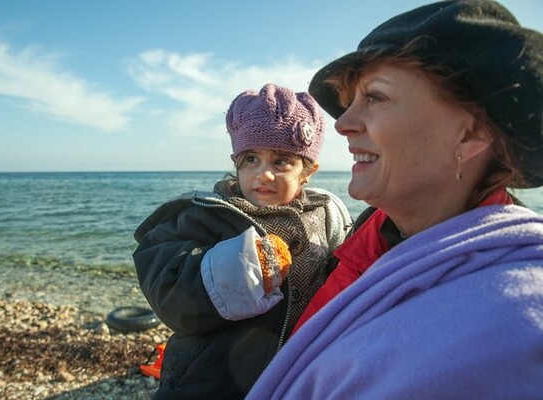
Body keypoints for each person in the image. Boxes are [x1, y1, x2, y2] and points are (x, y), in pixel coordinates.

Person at [247, 1, 543, 399]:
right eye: (350, 101)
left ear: (471, 134)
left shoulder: (517, 323)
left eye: (375, 97)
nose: (342, 123)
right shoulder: (369, 238)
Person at [132, 83, 352, 399]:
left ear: (307, 172)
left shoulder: (326, 215)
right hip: (212, 379)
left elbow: (347, 271)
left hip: (298, 374)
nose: (263, 174)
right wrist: (238, 269)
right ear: (235, 160)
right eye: (251, 159)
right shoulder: (206, 214)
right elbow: (166, 285)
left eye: (280, 162)